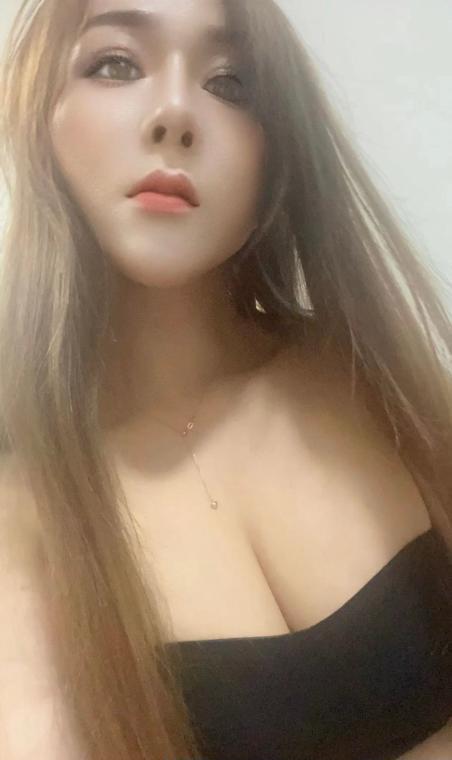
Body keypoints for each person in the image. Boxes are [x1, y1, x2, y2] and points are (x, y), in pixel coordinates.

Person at [0, 0, 451, 758]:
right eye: (117, 63)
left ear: (279, 149)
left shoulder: (374, 372)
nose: (176, 112)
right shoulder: (22, 511)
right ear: (36, 116)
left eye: (230, 83)